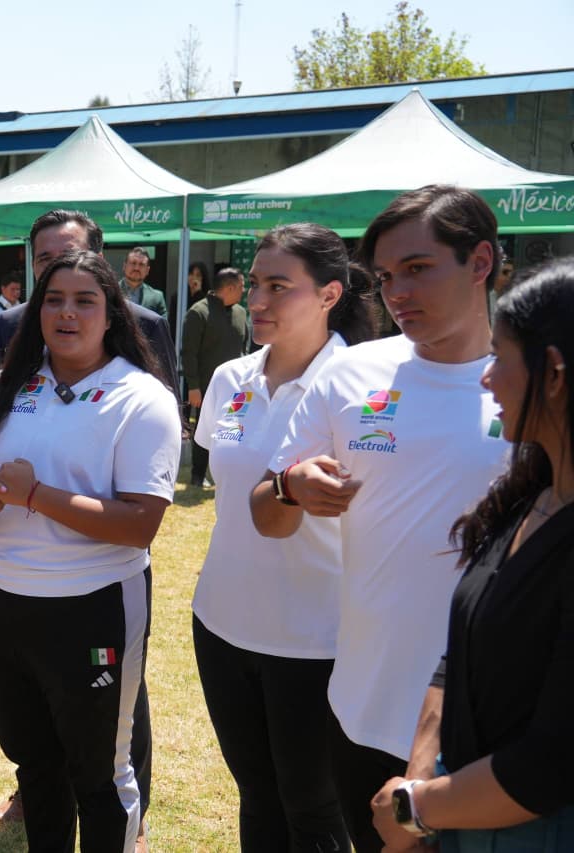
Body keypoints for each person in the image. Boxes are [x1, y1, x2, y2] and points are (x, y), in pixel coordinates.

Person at [249, 185, 510, 853]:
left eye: (418, 268)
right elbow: (266, 515)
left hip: (490, 719)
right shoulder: (351, 374)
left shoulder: (532, 383)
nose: (398, 293)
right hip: (361, 706)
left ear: (480, 262)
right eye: (387, 276)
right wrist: (288, 488)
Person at [0, 249, 180, 853]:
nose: (66, 313)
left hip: (93, 608)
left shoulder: (142, 397)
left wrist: (35, 495)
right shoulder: (4, 387)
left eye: (84, 301)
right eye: (53, 300)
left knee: (100, 777)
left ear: (112, 314)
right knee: (37, 767)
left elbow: (140, 525)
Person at [370, 257, 574, 851]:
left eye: (499, 358)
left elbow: (548, 765)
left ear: (553, 374)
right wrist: (418, 782)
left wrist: (415, 809)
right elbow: (458, 653)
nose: (486, 380)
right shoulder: (530, 496)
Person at [191, 224, 380, 852]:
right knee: (257, 795)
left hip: (317, 638)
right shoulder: (231, 379)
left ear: (330, 294)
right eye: (254, 284)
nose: (257, 301)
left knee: (313, 810)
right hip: (222, 624)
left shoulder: (366, 387)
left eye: (279, 286)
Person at [0, 212, 178, 394]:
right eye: (45, 259)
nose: (57, 268)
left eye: (69, 257)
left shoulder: (147, 326)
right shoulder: (12, 324)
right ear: (32, 265)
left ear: (99, 261)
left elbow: (168, 404)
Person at [182, 267, 248, 487]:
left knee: (233, 430)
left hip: (237, 389)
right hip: (205, 386)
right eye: (242, 286)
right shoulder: (198, 312)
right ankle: (198, 475)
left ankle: (226, 473)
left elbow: (244, 350)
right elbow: (189, 353)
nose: (245, 290)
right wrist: (193, 386)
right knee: (204, 429)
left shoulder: (241, 313)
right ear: (229, 287)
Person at [119, 247, 168, 317]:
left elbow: (162, 323)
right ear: (124, 266)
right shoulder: (111, 292)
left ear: (147, 270)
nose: (136, 268)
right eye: (133, 263)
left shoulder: (157, 297)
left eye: (141, 264)